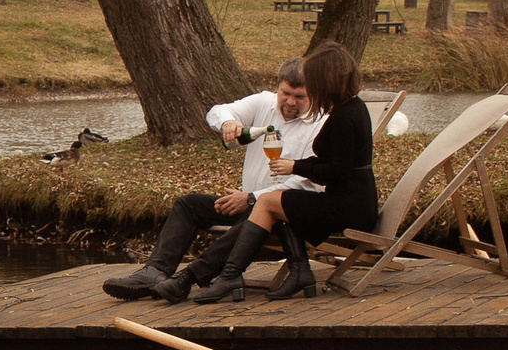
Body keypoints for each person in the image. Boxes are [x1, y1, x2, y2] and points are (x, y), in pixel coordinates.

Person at [101, 60, 324, 301]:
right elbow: (217, 111)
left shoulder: (320, 125)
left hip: (282, 213)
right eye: (285, 93)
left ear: (314, 94)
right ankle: (155, 271)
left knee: (254, 215)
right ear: (277, 87)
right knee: (189, 205)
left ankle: (188, 277)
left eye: (299, 97)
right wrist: (228, 123)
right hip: (246, 201)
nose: (290, 102)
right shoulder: (264, 102)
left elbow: (308, 183)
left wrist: (251, 198)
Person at [189, 42, 375, 303]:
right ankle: (297, 271)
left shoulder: (344, 117)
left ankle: (230, 276)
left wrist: (295, 166)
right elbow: (335, 162)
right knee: (278, 200)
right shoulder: (349, 108)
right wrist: (298, 165)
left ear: (325, 81)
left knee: (269, 201)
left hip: (351, 206)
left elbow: (338, 171)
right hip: (347, 198)